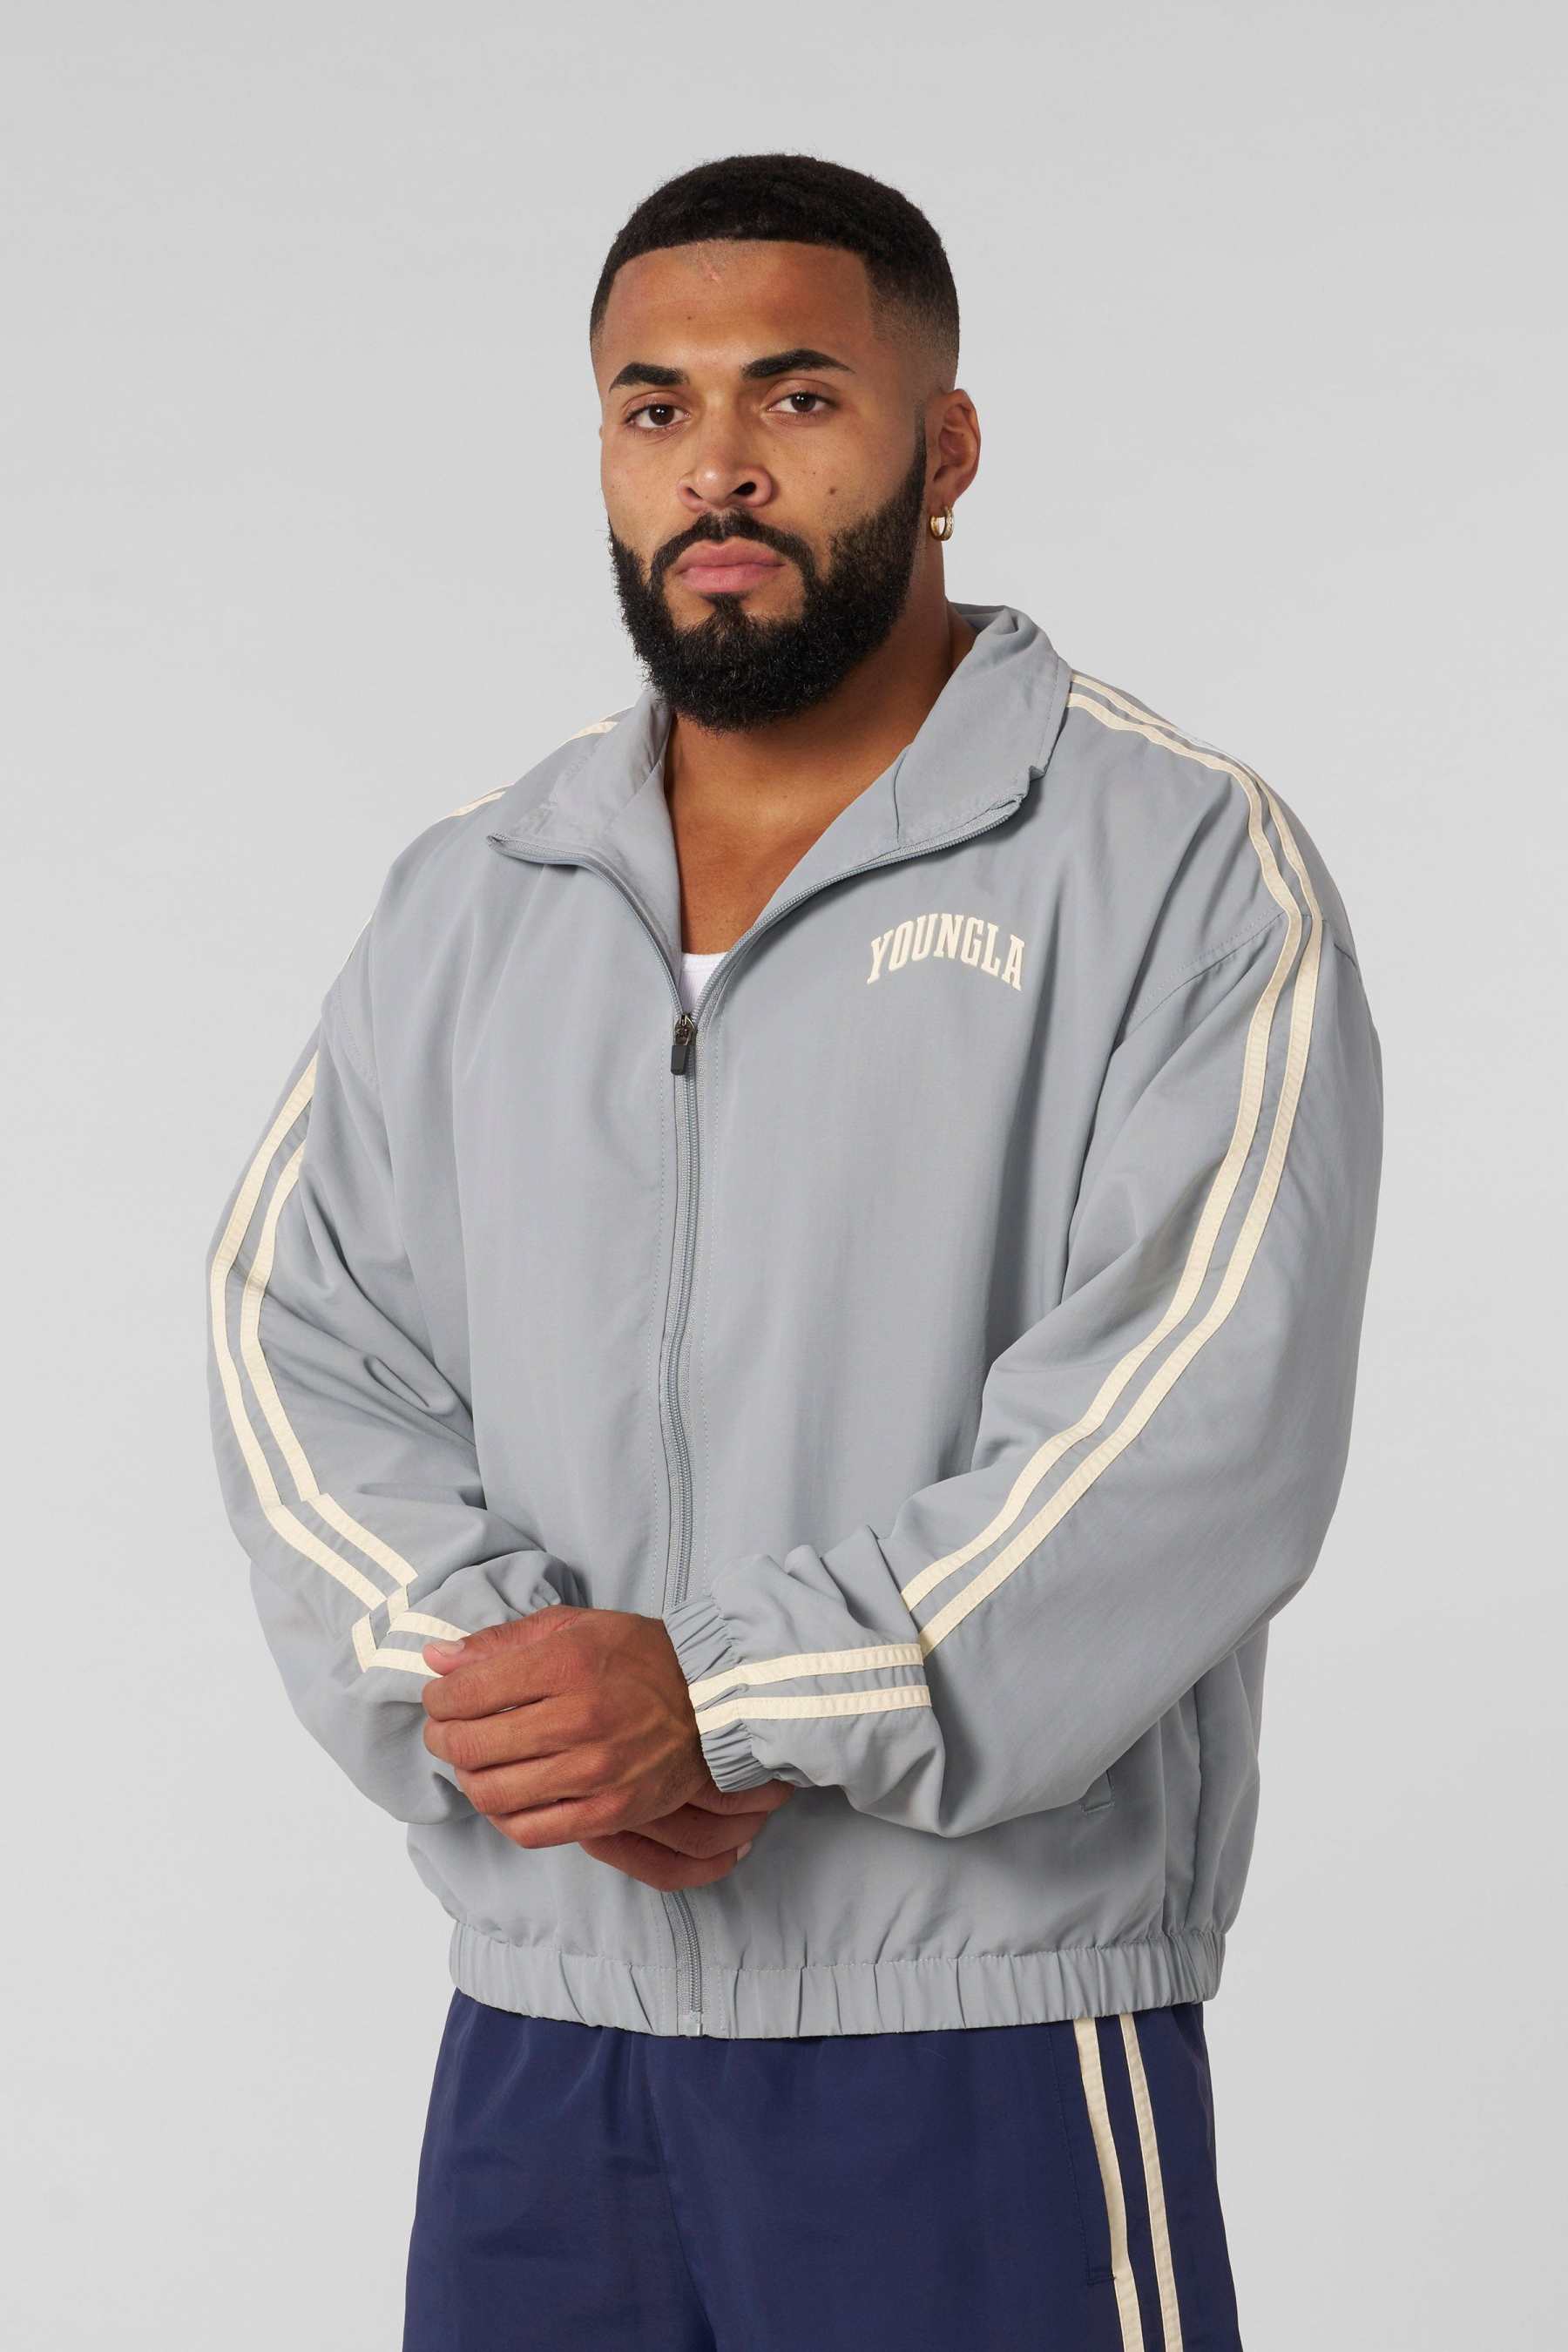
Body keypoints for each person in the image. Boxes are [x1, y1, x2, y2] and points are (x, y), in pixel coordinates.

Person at [204, 151, 1382, 2351]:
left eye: (799, 395)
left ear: (947, 448)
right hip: (547, 2032)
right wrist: (525, 1703)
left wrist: (721, 1701)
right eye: (653, 408)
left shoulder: (1174, 862)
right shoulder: (474, 895)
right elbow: (298, 1347)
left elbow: (1196, 1428)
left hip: (983, 2032)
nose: (718, 466)